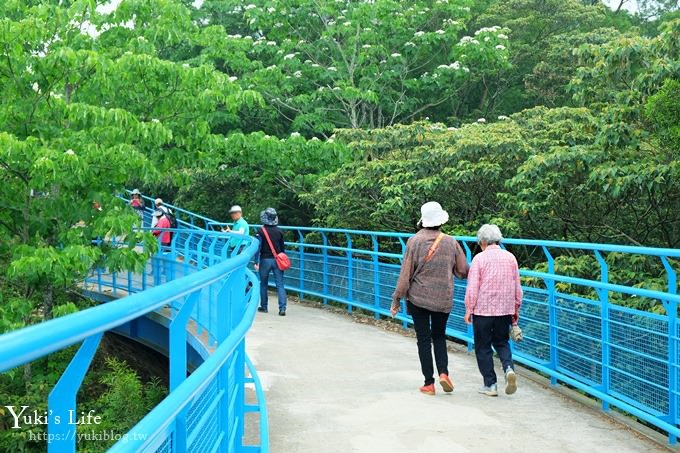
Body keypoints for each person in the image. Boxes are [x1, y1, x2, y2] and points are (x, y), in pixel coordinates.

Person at [391, 201, 469, 396]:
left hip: (419, 298)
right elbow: (462, 271)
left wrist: (396, 299)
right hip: (443, 298)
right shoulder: (451, 242)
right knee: (439, 336)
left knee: (424, 339)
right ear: (441, 220)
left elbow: (405, 274)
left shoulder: (414, 241)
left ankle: (429, 383)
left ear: (423, 220)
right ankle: (444, 373)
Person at [464, 224, 523, 397]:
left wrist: (469, 309)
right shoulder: (510, 258)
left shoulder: (479, 259)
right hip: (504, 310)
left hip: (483, 310)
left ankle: (490, 385)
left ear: (482, 241)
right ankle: (508, 368)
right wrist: (515, 310)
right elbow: (517, 288)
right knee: (502, 342)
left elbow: (473, 287)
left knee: (483, 347)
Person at [254, 208, 287, 316]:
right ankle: (282, 308)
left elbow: (257, 248)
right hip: (277, 260)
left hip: (265, 260)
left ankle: (264, 307)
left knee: (263, 284)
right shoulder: (280, 231)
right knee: (280, 285)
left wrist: (256, 261)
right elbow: (282, 249)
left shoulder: (260, 231)